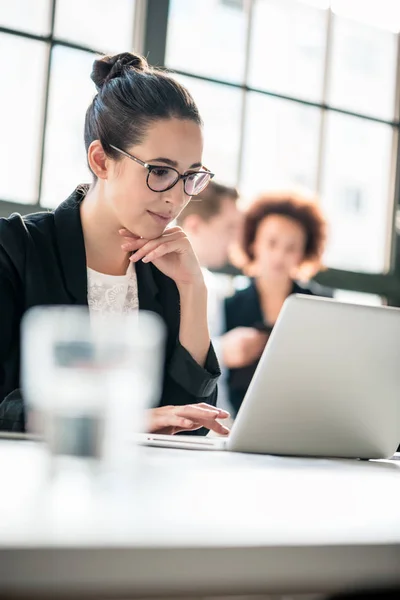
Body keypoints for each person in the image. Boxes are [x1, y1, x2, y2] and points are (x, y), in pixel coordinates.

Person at [0, 51, 230, 436]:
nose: (176, 198)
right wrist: (123, 421)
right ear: (101, 161)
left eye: (191, 176)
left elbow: (192, 424)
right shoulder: (15, 249)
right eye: (159, 171)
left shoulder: (167, 271)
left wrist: (194, 290)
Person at [224, 191, 329, 416]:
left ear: (303, 253)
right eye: (272, 243)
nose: (280, 255)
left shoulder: (322, 307)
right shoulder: (228, 306)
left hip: (305, 415)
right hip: (238, 418)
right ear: (253, 243)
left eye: (291, 247)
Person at [176, 182, 242, 416]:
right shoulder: (166, 279)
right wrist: (224, 351)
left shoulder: (211, 283)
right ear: (195, 226)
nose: (235, 240)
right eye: (229, 228)